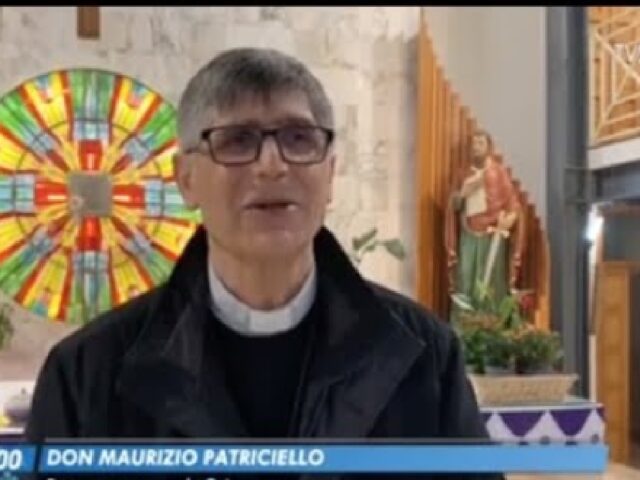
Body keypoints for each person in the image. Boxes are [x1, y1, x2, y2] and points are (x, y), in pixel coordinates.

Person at [26, 48, 501, 479]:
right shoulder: (86, 374)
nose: (272, 165)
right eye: (237, 140)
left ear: (330, 173)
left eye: (298, 138)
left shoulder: (424, 358)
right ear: (186, 179)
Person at [445, 131, 525, 305]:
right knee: (466, 276)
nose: (476, 147)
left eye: (480, 143)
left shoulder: (498, 172)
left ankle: (491, 318)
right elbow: (454, 206)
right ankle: (465, 318)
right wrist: (463, 194)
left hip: (492, 235)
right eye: (473, 144)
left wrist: (510, 218)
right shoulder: (463, 173)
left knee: (492, 280)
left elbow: (512, 203)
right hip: (468, 235)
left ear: (489, 147)